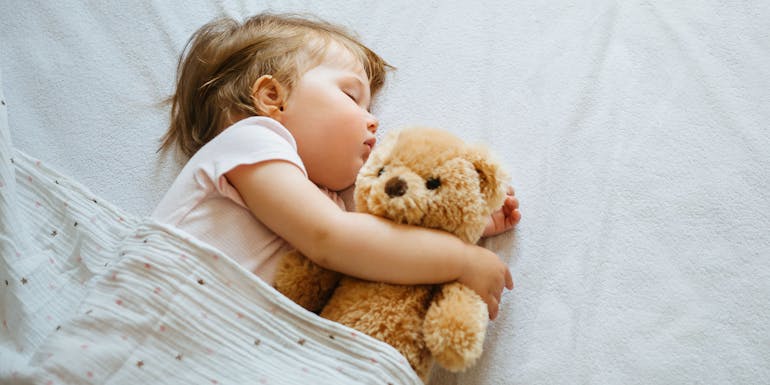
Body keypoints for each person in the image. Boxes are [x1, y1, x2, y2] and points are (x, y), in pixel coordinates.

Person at [153, 13, 521, 320]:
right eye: (351, 96)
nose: (373, 122)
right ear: (271, 98)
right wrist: (459, 259)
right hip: (157, 317)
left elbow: (376, 248)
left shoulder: (328, 200)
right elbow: (332, 239)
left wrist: (456, 224)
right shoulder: (251, 141)